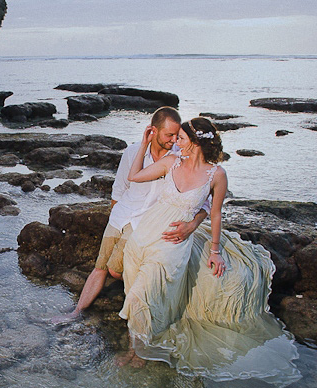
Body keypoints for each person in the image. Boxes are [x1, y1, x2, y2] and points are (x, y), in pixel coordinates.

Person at [118, 117, 300, 385]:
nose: (175, 142)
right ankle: (139, 344)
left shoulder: (217, 175)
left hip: (174, 242)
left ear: (194, 143)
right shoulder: (171, 162)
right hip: (144, 234)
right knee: (137, 289)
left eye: (180, 138)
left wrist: (214, 251)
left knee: (142, 295)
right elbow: (133, 177)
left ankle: (138, 351)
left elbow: (215, 215)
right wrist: (145, 144)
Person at [51, 107, 210, 324]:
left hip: (145, 223)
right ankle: (75, 313)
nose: (174, 140)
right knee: (100, 266)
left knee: (115, 271)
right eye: (169, 135)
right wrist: (114, 220)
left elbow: (203, 200)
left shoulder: (179, 160)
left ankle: (133, 311)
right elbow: (120, 188)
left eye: (176, 135)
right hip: (122, 215)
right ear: (153, 131)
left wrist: (192, 225)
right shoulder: (132, 152)